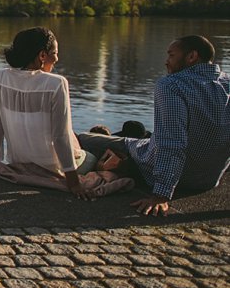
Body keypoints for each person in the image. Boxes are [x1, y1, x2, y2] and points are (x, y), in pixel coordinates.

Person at [78, 35, 230, 216]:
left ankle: (108, 136)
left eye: (171, 56)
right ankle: (126, 135)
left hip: (157, 172)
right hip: (207, 181)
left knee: (83, 139)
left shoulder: (172, 85)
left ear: (191, 57)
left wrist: (161, 195)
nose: (166, 62)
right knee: (140, 131)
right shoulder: (226, 84)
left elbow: (172, 143)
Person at [0, 27, 96, 198]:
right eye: (54, 53)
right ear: (42, 56)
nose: (57, 58)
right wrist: (73, 182)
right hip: (51, 167)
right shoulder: (56, 83)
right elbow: (60, 137)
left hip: (19, 164)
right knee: (92, 156)